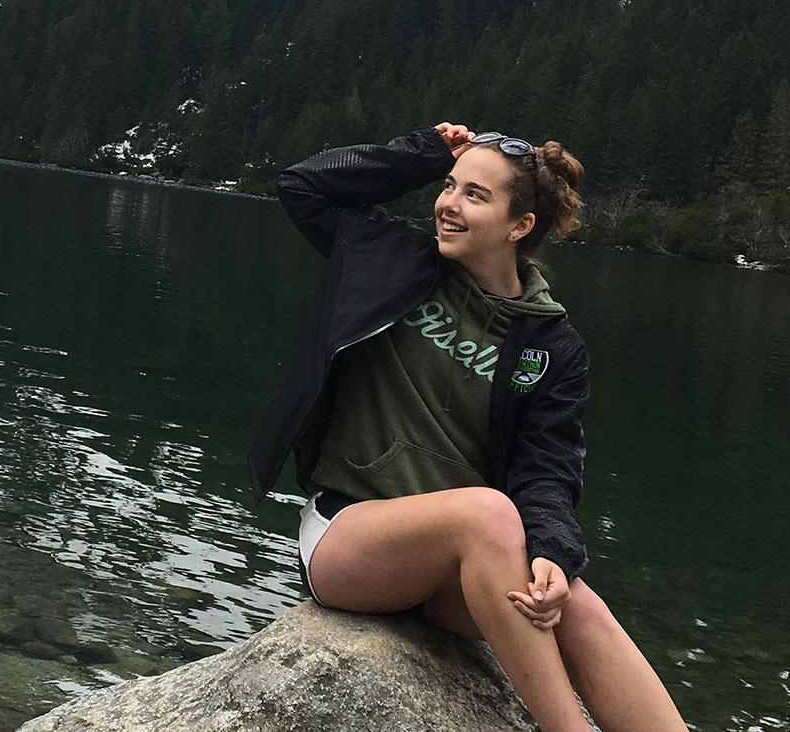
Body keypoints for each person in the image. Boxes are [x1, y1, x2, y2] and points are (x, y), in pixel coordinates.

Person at [246, 124, 686, 732]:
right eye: (449, 187)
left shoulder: (551, 346)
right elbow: (304, 186)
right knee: (484, 513)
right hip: (348, 538)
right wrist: (425, 152)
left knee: (575, 604)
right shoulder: (389, 257)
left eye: (474, 194)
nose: (448, 203)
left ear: (520, 226)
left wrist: (554, 555)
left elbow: (548, 471)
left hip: (458, 577)